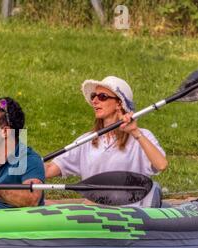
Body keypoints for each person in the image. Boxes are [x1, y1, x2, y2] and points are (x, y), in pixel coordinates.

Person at [45, 76, 168, 207]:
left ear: (119, 103)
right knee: (43, 203)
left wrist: (135, 132)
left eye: (102, 96)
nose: (95, 101)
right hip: (95, 212)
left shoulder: (141, 135)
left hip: (130, 215)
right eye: (93, 96)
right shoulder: (86, 140)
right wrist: (25, 163)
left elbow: (161, 165)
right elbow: (50, 169)